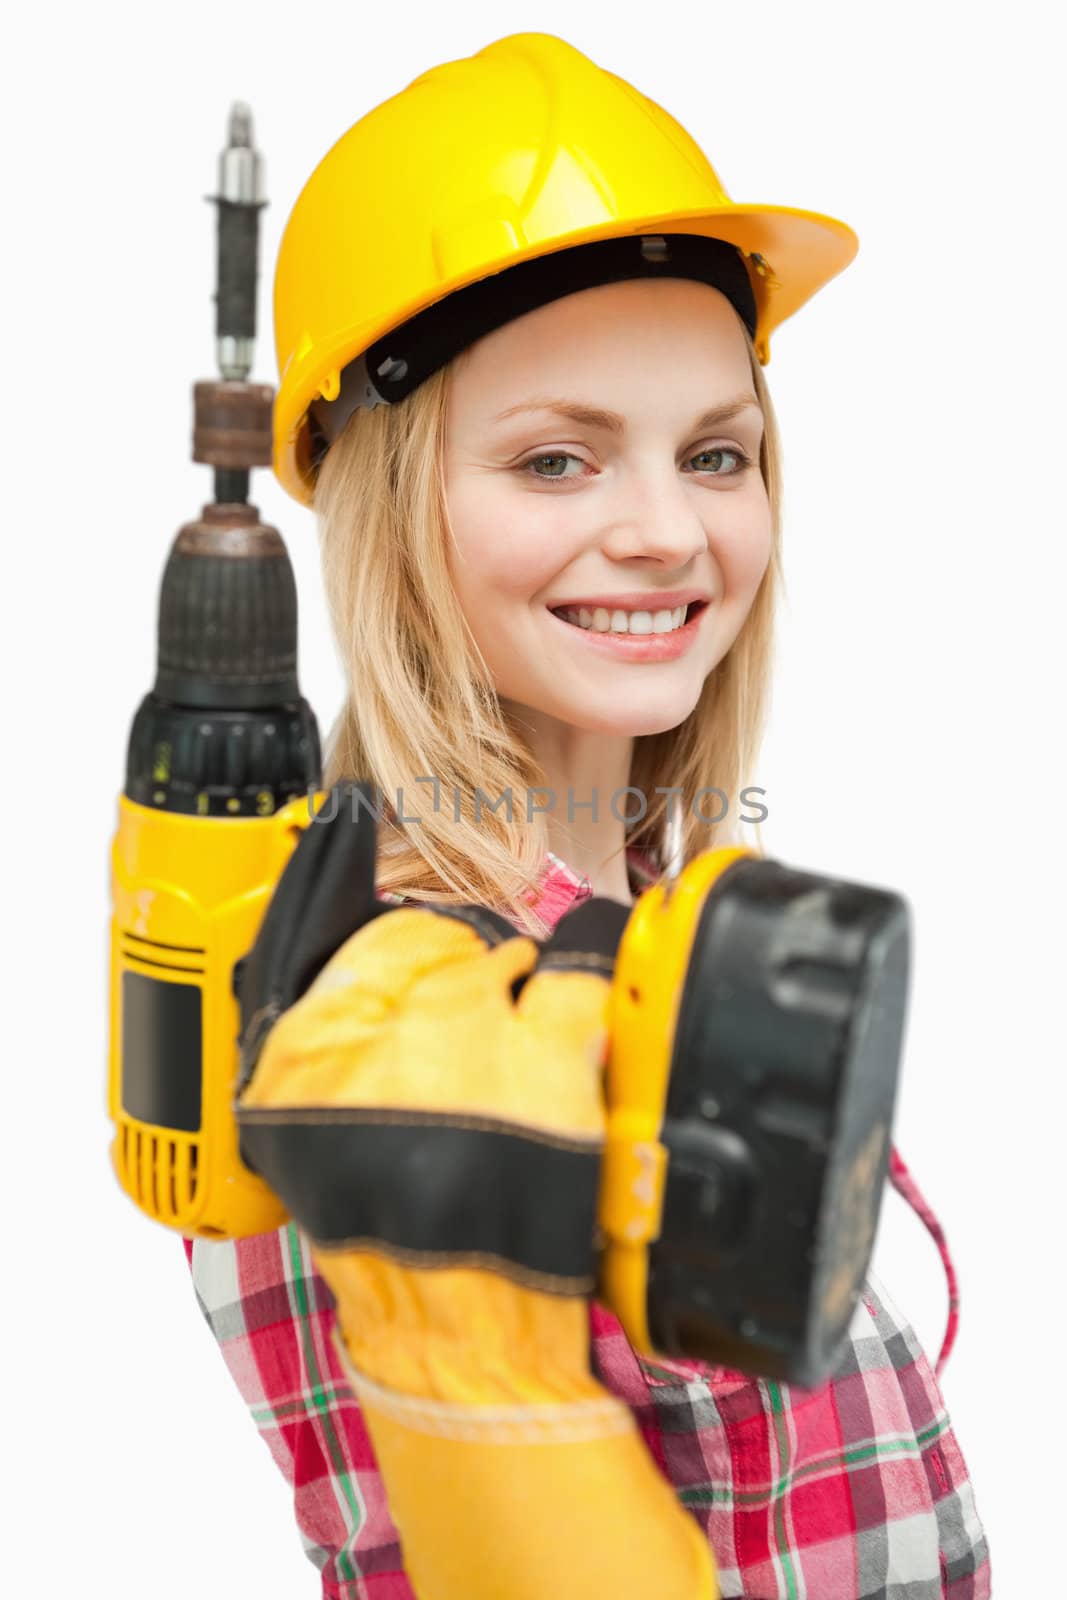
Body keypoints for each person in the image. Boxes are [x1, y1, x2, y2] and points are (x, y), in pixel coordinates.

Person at [185, 32, 990, 1598]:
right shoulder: (370, 1023)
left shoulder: (649, 938)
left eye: (715, 453)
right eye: (556, 459)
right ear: (385, 498)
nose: (668, 530)